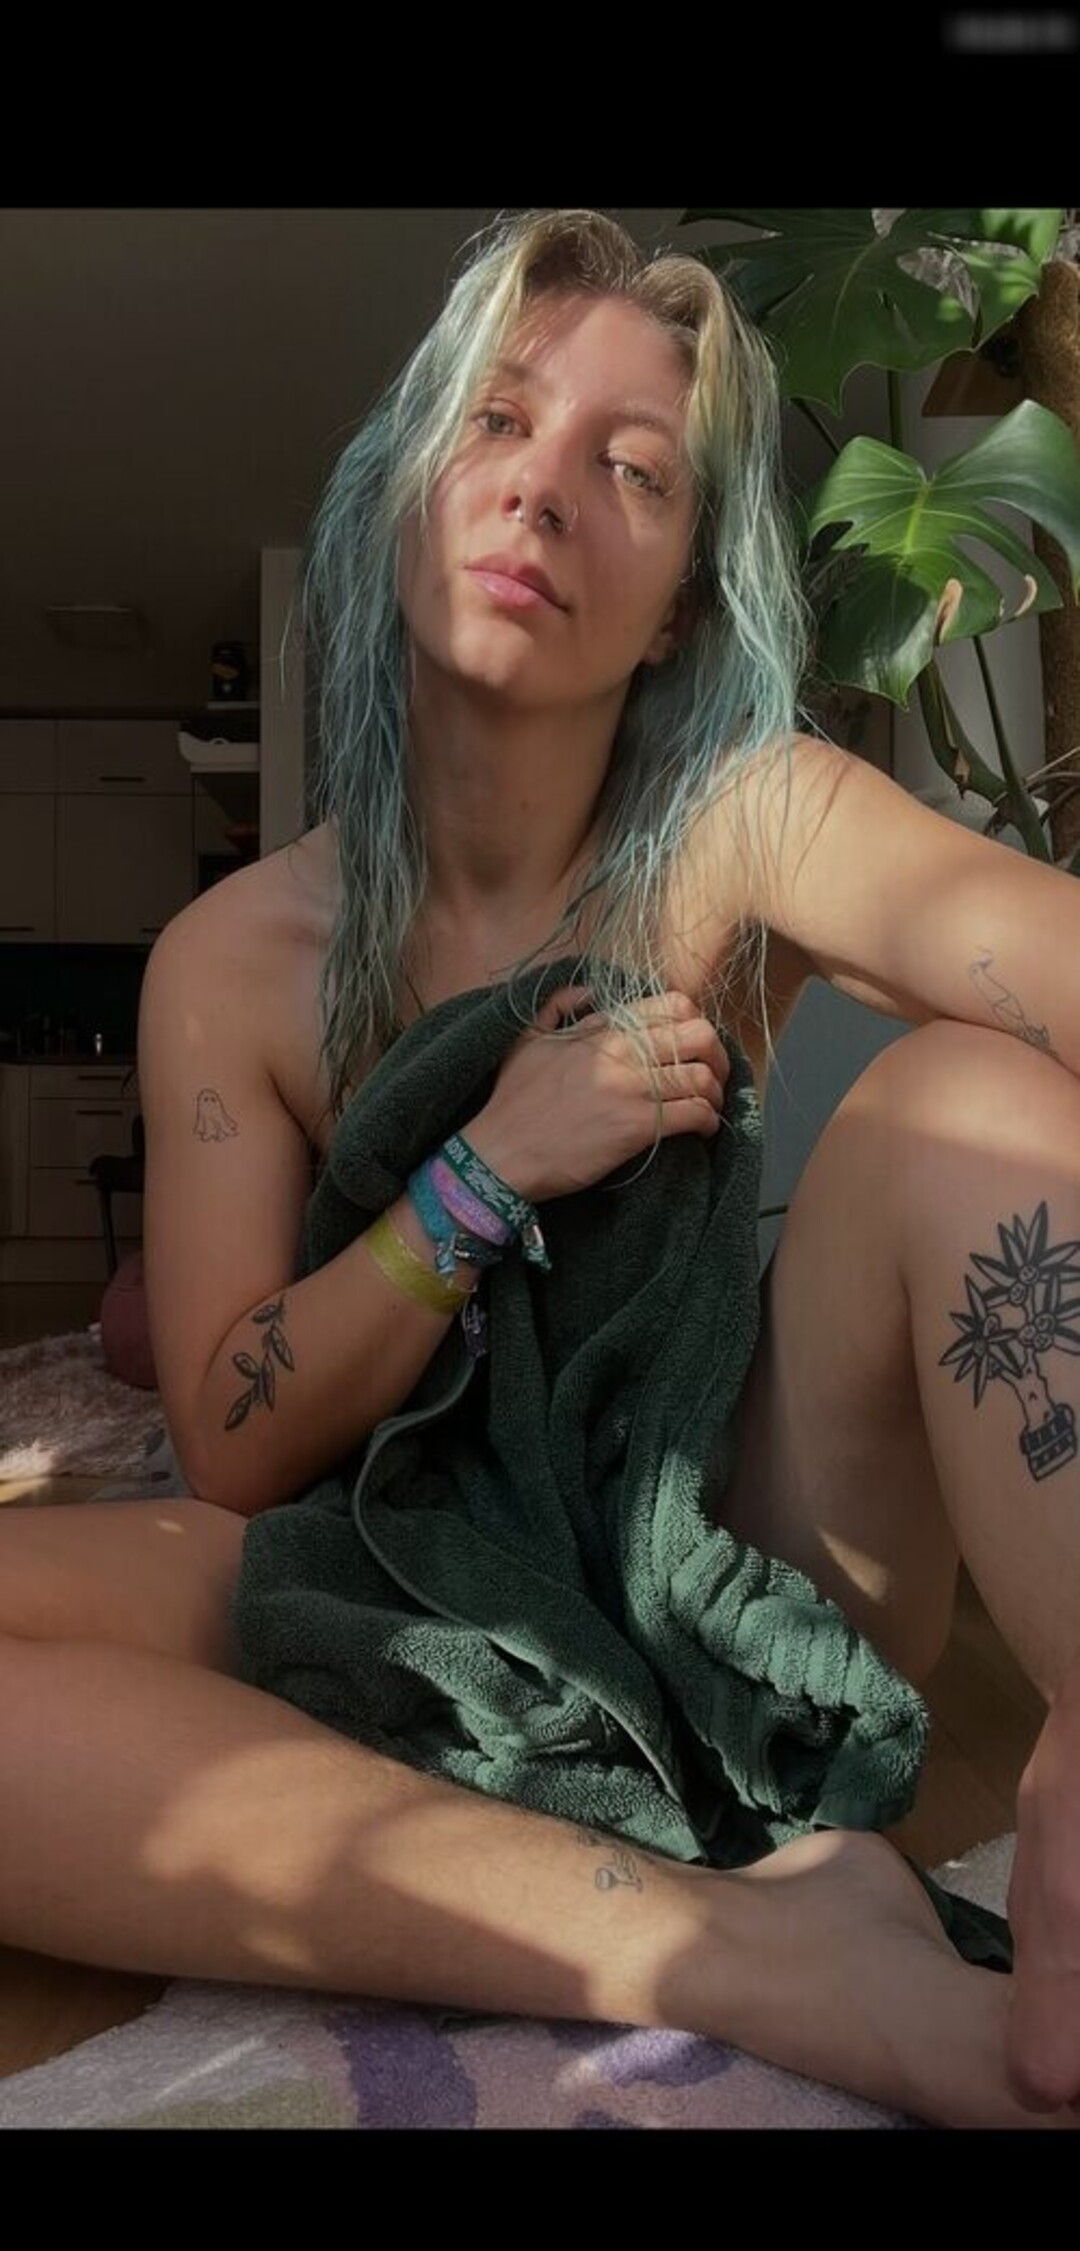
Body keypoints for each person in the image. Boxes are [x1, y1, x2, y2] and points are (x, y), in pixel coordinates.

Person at [3, 207, 1079, 2130]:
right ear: (406, 491)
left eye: (633, 468)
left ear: (675, 608)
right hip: (379, 1563)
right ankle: (743, 1948)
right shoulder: (229, 965)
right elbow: (237, 1445)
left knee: (975, 1104)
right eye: (496, 421)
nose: (545, 487)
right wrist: (482, 1170)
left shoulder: (743, 821)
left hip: (715, 1551)